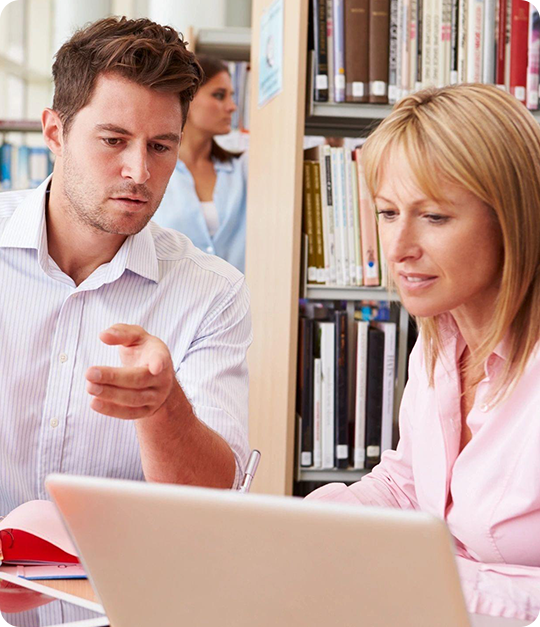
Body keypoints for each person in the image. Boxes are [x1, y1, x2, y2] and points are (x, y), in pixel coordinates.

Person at [0, 16, 252, 523]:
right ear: (55, 132)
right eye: (113, 140)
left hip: (121, 604)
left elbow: (214, 503)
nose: (139, 172)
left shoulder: (213, 293)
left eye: (160, 146)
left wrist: (165, 408)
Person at [306, 83, 540, 621]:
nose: (399, 247)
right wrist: (297, 528)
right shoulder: (439, 343)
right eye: (388, 213)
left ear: (513, 221)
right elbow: (408, 483)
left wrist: (422, 578)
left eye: (433, 217)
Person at [152, 54, 247, 273]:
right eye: (219, 95)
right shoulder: (153, 170)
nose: (232, 107)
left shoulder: (241, 170)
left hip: (236, 300)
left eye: (231, 97)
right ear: (188, 99)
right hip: (171, 300)